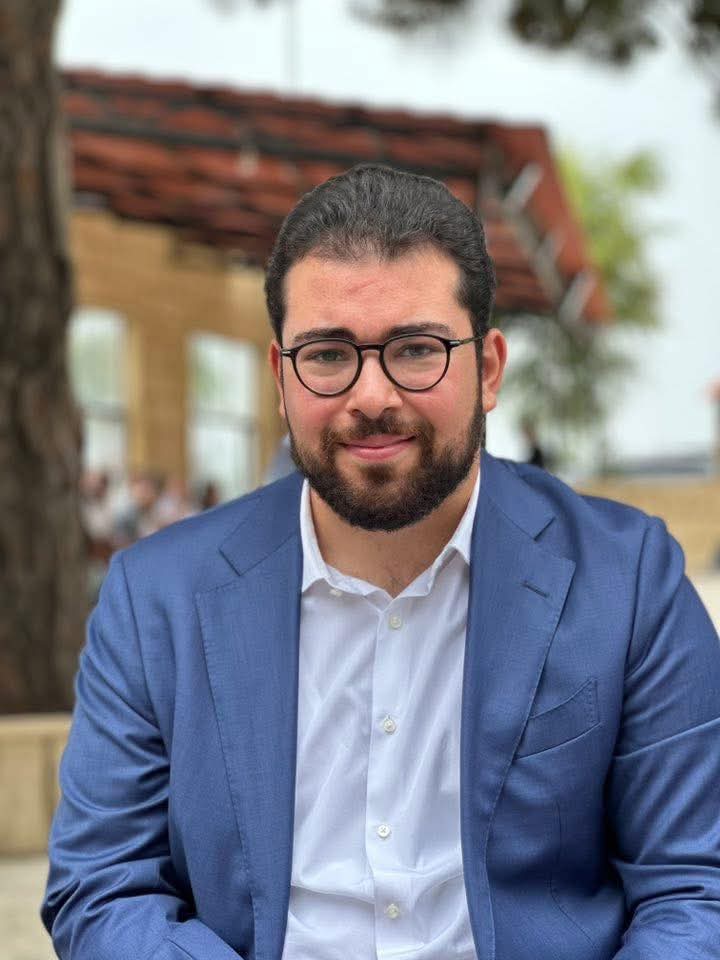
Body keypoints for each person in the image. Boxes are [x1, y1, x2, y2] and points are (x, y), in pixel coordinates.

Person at [42, 164, 720, 960]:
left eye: (416, 349)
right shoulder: (154, 598)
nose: (370, 396)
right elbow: (103, 886)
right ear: (281, 379)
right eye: (329, 354)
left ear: (489, 370)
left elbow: (695, 886)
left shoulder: (627, 581)